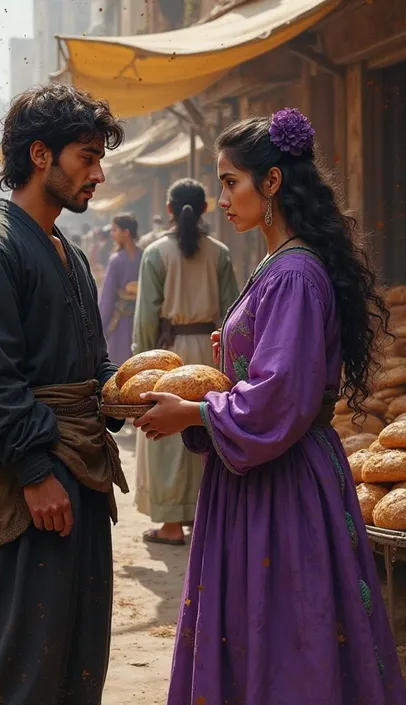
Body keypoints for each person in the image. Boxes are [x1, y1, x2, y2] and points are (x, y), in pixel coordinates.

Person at [135, 110, 406, 703]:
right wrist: (228, 361)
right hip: (264, 475)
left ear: (273, 182)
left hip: (283, 484)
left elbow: (280, 395)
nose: (221, 198)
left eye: (231, 182)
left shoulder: (292, 274)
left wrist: (196, 413)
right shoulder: (277, 267)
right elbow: (270, 372)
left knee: (290, 631)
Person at [0, 84, 128, 705]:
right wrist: (33, 469)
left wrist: (127, 394)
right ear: (41, 155)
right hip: (31, 486)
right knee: (14, 664)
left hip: (82, 474)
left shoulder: (68, 251)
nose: (98, 174)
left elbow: (92, 362)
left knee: (75, 656)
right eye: (87, 157)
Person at [133, 178, 238, 545]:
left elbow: (147, 316)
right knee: (205, 432)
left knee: (165, 438)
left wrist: (141, 364)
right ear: (206, 208)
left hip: (168, 356)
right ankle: (204, 518)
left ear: (168, 211)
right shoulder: (220, 252)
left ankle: (171, 526)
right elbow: (232, 312)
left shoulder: (156, 253)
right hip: (210, 355)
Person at [99, 213, 142, 367]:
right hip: (141, 321)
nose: (112, 234)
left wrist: (101, 327)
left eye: (115, 230)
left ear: (126, 232)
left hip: (121, 323)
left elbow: (107, 299)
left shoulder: (116, 260)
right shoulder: (144, 256)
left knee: (119, 366)